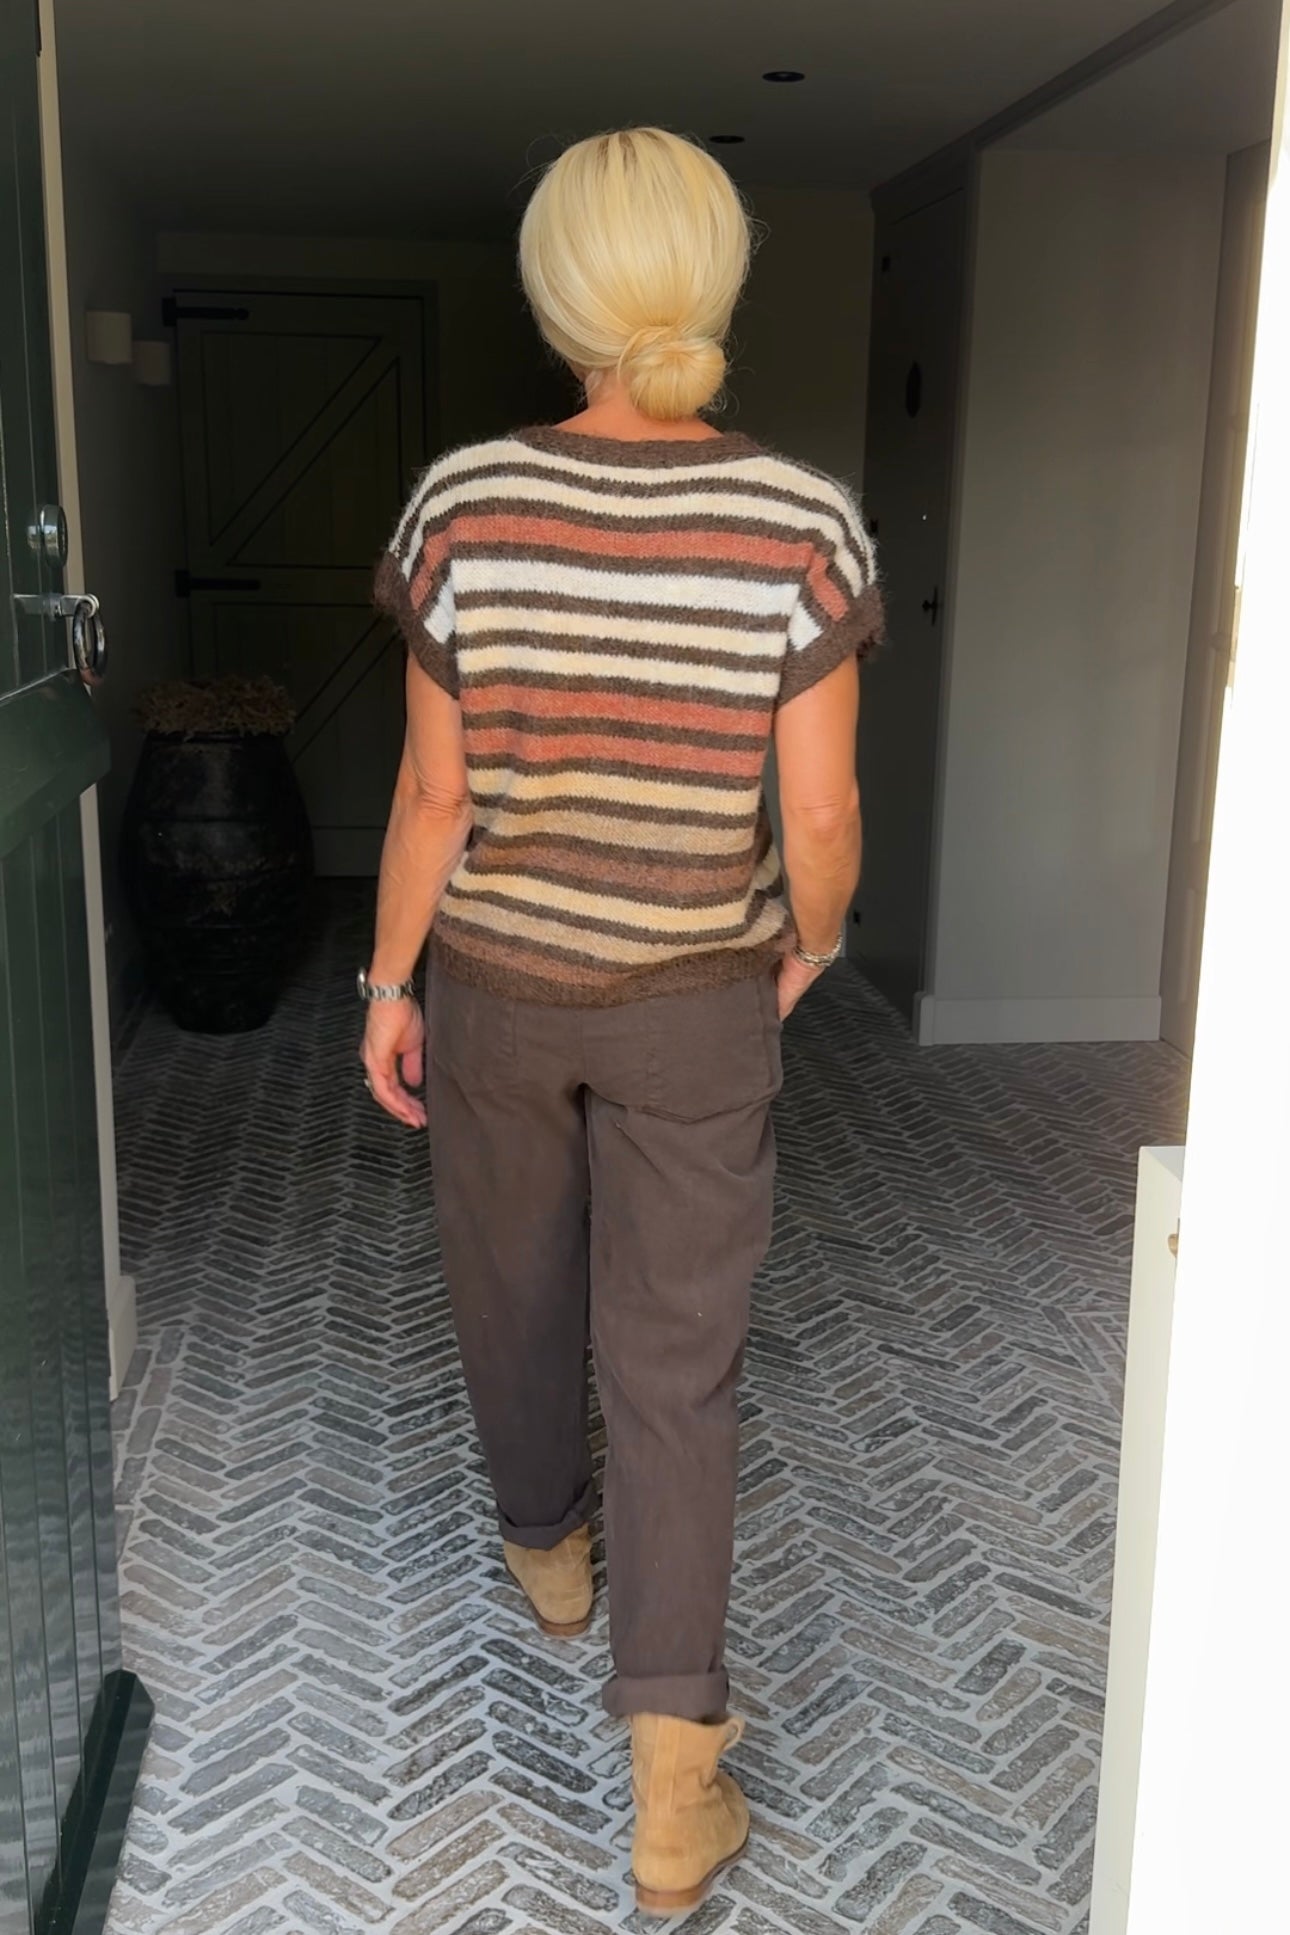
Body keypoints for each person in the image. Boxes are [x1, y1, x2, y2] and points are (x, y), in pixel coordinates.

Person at [365, 126, 881, 1914]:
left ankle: (549, 1554)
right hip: (694, 1002)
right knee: (678, 1365)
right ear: (715, 279)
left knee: (508, 1280)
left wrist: (388, 984)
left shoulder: (461, 503)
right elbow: (818, 813)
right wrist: (809, 942)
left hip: (499, 988)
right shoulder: (800, 521)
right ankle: (674, 1780)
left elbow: (434, 798)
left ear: (551, 293)